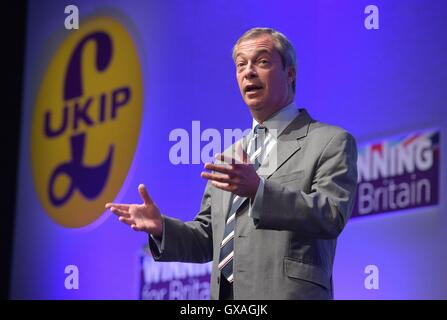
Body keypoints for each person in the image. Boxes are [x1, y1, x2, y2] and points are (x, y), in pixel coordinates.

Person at [105, 27, 358, 300]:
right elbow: (208, 239)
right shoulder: (231, 156)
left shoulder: (329, 141)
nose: (248, 71)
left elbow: (331, 215)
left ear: (290, 73)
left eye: (262, 62)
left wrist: (259, 191)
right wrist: (162, 228)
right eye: (241, 65)